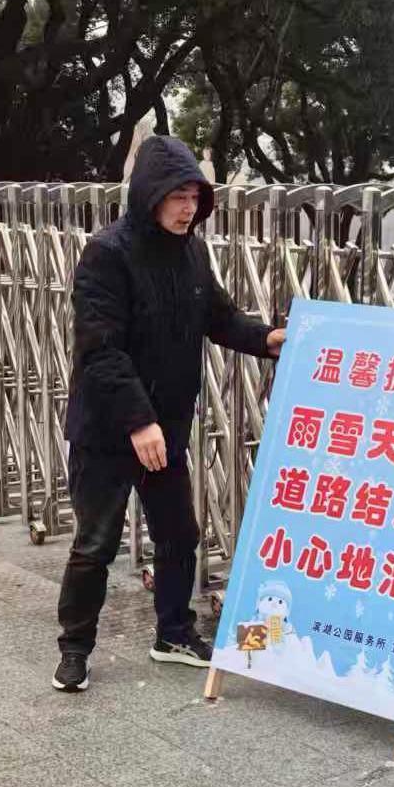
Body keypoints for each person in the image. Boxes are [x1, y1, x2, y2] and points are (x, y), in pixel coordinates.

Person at [53, 136, 284, 692]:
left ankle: (174, 633)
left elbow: (219, 317)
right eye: (178, 197)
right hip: (110, 431)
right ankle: (74, 649)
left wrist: (266, 339)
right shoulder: (107, 254)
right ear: (150, 194)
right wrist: (139, 421)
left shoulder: (191, 253)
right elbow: (100, 350)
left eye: (195, 198)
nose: (187, 209)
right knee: (96, 544)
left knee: (179, 533)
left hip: (167, 428)